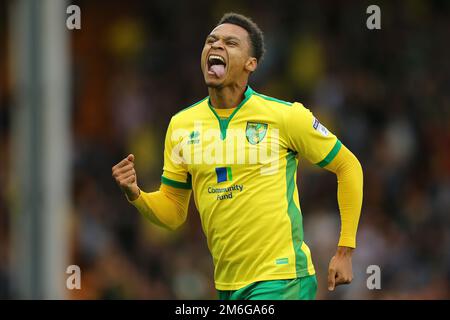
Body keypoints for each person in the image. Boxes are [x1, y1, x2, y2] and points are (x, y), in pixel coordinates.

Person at [112, 12, 363, 300]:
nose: (216, 46)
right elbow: (173, 211)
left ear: (250, 63)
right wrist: (137, 194)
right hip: (227, 286)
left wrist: (345, 250)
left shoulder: (285, 116)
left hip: (282, 279)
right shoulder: (181, 126)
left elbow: (348, 165)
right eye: (211, 41)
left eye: (230, 43)